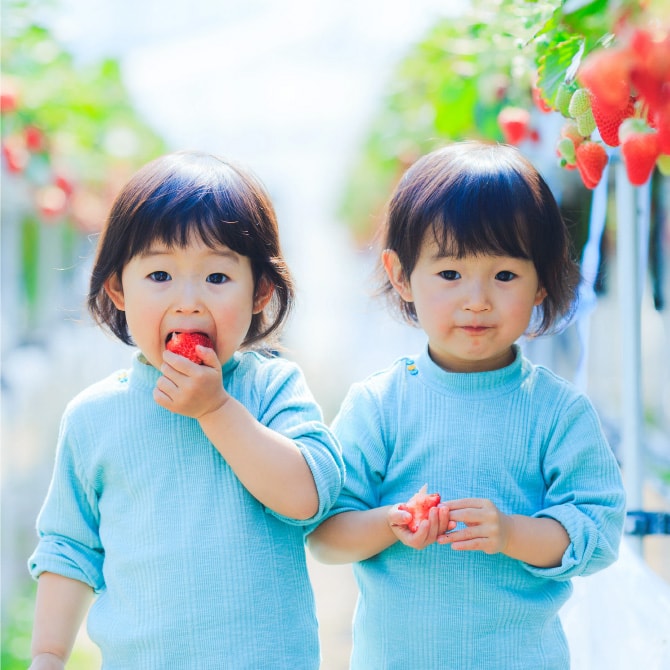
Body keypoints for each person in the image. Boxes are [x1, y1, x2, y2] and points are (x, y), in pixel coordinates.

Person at [307, 141, 626, 669]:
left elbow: (597, 535)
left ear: (542, 281)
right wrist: (390, 522)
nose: (476, 300)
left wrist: (512, 532)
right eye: (450, 275)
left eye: (504, 276)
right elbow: (327, 536)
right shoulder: (380, 405)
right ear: (401, 275)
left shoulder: (557, 412)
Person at [28, 150, 344, 670]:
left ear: (261, 291)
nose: (189, 301)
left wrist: (216, 409)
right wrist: (46, 654)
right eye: (160, 276)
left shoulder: (271, 389)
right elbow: (69, 547)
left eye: (217, 278)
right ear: (117, 288)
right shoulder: (94, 417)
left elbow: (307, 497)